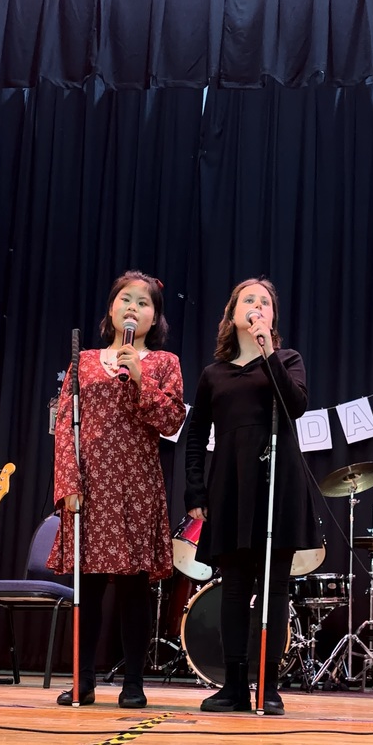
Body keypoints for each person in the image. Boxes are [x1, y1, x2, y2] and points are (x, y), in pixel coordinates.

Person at [48, 270, 185, 707]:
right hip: (88, 487)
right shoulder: (83, 361)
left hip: (137, 487)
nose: (133, 308)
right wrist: (68, 481)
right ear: (112, 308)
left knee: (133, 590)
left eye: (143, 303)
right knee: (85, 588)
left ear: (154, 317)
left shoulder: (165, 364)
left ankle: (133, 683)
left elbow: (172, 422)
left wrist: (141, 379)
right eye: (126, 299)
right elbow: (65, 431)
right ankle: (83, 680)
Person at [185, 278, 320, 715]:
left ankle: (269, 683)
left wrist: (268, 353)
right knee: (234, 588)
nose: (257, 306)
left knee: (274, 588)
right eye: (249, 299)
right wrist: (195, 490)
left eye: (265, 302)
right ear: (233, 313)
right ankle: (234, 685)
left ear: (272, 317)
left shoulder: (286, 359)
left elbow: (296, 404)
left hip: (278, 482)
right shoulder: (214, 374)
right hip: (228, 485)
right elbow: (194, 436)